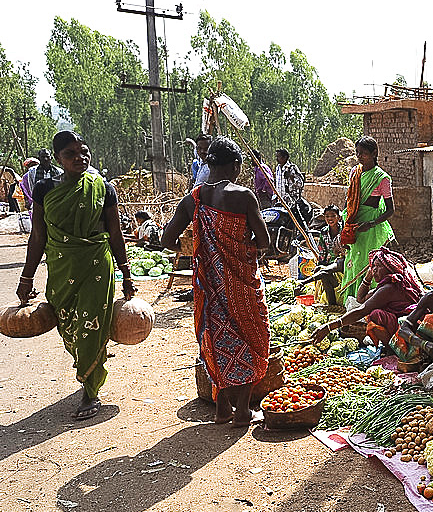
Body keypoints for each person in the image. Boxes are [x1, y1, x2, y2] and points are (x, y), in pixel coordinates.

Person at [15, 131, 135, 420]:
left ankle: (90, 390)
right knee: (68, 324)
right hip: (61, 266)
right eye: (71, 154)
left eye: (84, 152)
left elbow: (115, 233)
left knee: (93, 324)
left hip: (96, 265)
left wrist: (126, 274)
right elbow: (38, 235)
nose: (80, 158)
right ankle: (87, 364)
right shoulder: (45, 189)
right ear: (59, 158)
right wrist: (26, 278)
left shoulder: (103, 188)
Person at [161, 137, 270, 426]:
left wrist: (199, 250)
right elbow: (264, 241)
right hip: (241, 285)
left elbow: (167, 239)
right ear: (236, 165)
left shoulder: (192, 200)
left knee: (217, 339)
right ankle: (244, 410)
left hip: (209, 287)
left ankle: (223, 409)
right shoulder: (244, 196)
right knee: (251, 337)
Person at [311, 247, 422, 349]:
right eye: (373, 266)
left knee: (375, 315)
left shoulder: (390, 287)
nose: (374, 270)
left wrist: (329, 327)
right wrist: (368, 277)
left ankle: (393, 348)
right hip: (406, 327)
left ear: (389, 268)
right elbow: (361, 298)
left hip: (408, 328)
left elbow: (362, 310)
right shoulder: (387, 285)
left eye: (378, 266)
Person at [340, 136, 395, 298]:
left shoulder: (382, 178)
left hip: (370, 229)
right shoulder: (354, 173)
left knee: (368, 265)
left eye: (363, 153)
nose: (359, 156)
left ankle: (369, 302)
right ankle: (350, 302)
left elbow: (390, 210)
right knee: (352, 263)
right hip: (353, 226)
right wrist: (346, 223)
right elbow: (349, 200)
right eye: (357, 153)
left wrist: (370, 224)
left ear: (374, 153)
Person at [298, 206, 346, 302]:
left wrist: (303, 282)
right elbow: (322, 250)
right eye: (327, 216)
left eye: (333, 216)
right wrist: (320, 264)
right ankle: (331, 305)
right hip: (329, 263)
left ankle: (333, 303)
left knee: (324, 273)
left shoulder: (344, 231)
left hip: (342, 263)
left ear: (339, 217)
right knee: (319, 271)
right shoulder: (324, 231)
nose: (330, 219)